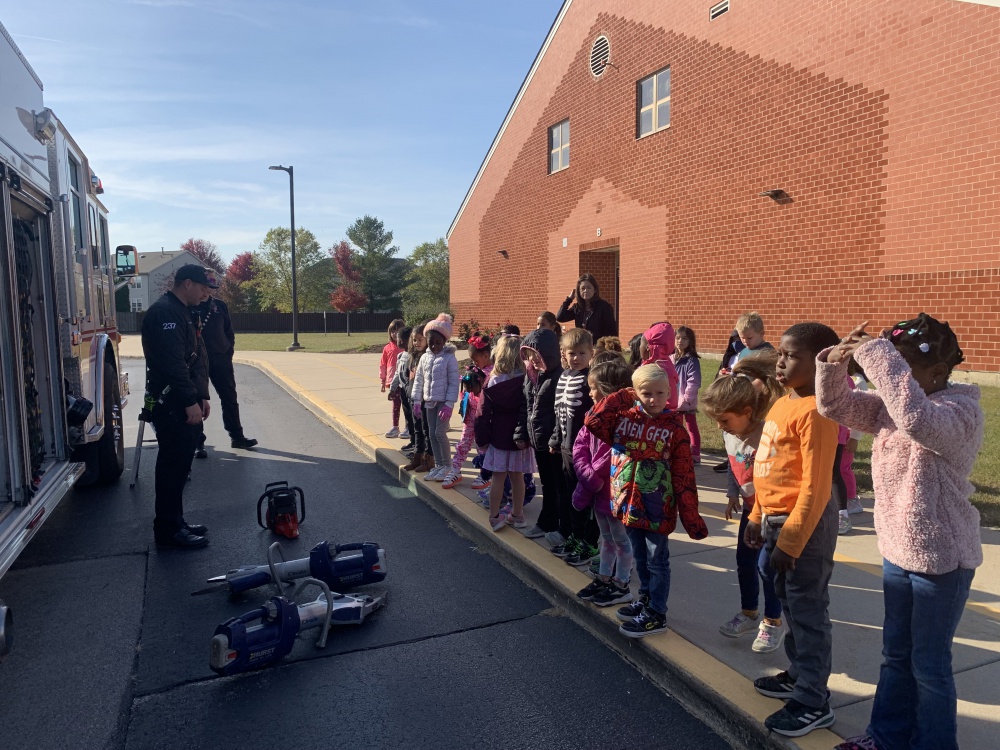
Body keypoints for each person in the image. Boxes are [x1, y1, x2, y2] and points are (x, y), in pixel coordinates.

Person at [818, 314, 982, 750]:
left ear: (937, 373)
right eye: (895, 371)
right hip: (897, 551)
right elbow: (835, 406)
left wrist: (877, 354)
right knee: (895, 655)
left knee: (929, 665)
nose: (896, 381)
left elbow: (916, 419)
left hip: (941, 559)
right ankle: (885, 738)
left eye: (905, 370)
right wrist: (835, 363)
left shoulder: (959, 412)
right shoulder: (893, 406)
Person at [746, 322, 841, 738]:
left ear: (819, 362)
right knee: (788, 604)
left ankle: (813, 699)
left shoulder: (817, 411)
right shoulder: (784, 403)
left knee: (808, 612)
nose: (780, 361)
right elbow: (769, 468)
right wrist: (755, 516)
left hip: (805, 528)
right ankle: (799, 674)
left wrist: (792, 540)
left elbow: (815, 486)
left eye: (791, 355)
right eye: (780, 353)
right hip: (775, 522)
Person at [585, 364, 708, 637]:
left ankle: (657, 613)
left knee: (657, 561)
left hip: (657, 509)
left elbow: (684, 475)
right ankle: (645, 598)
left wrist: (691, 517)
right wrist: (622, 396)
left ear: (669, 393)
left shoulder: (676, 430)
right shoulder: (623, 420)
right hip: (629, 505)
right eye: (646, 393)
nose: (653, 399)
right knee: (640, 557)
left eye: (660, 393)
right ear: (635, 393)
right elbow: (593, 421)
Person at [701, 351, 786, 654]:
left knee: (767, 567)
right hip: (750, 510)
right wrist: (732, 494)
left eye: (724, 420)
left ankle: (772, 622)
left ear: (748, 411)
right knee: (744, 562)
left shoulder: (767, 433)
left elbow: (778, 477)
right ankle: (749, 613)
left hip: (774, 514)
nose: (720, 427)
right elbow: (734, 465)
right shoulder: (731, 433)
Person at [141, 264, 216, 549]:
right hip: (172, 403)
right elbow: (172, 364)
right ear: (187, 283)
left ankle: (176, 521)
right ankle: (169, 530)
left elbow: (197, 357)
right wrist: (188, 400)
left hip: (183, 399)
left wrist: (202, 394)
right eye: (202, 287)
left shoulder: (182, 310)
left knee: (180, 465)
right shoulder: (165, 313)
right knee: (173, 468)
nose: (206, 293)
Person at [572, 358, 635, 607]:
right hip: (597, 491)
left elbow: (611, 453)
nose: (589, 392)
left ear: (608, 389)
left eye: (592, 387)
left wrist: (592, 476)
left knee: (621, 540)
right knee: (606, 538)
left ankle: (622, 584)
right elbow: (580, 445)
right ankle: (605, 578)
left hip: (614, 492)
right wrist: (587, 473)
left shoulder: (624, 419)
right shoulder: (592, 415)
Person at [475, 335, 533, 530]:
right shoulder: (527, 380)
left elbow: (482, 414)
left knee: (498, 477)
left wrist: (482, 439)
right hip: (519, 437)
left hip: (498, 436)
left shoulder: (492, 382)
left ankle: (494, 516)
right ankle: (518, 514)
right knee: (518, 477)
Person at [549, 328, 597, 566]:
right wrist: (555, 439)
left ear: (591, 353)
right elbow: (560, 412)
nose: (576, 357)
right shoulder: (564, 376)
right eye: (571, 353)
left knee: (584, 498)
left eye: (581, 353)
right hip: (565, 448)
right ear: (564, 354)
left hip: (584, 452)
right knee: (569, 495)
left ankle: (588, 539)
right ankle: (573, 534)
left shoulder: (590, 379)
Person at [192, 288, 257, 456]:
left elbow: (229, 331)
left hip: (220, 358)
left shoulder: (219, 306)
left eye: (211, 285)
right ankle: (198, 442)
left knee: (229, 398)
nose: (207, 289)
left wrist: (229, 351)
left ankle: (237, 436)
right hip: (197, 360)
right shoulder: (190, 306)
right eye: (205, 284)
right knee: (197, 398)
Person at [519, 328, 564, 542]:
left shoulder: (557, 378)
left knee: (557, 486)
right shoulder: (532, 377)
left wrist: (555, 439)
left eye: (538, 355)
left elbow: (561, 414)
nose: (534, 360)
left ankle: (552, 523)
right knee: (547, 483)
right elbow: (526, 406)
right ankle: (549, 521)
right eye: (529, 355)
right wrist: (522, 432)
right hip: (538, 439)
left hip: (554, 443)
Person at [411, 314, 460, 481]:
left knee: (440, 433)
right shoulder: (424, 357)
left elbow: (454, 382)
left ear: (445, 341)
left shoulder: (449, 358)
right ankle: (438, 465)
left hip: (443, 403)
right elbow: (419, 380)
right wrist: (417, 401)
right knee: (431, 434)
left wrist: (449, 403)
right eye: (431, 342)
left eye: (438, 343)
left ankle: (447, 466)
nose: (434, 346)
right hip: (429, 401)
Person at [443, 365, 485, 489]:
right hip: (469, 414)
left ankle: (485, 473)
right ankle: (455, 469)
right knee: (463, 442)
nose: (470, 390)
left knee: (482, 445)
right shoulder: (473, 372)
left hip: (483, 417)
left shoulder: (491, 374)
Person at [402, 323, 432, 472]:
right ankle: (417, 457)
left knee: (426, 431)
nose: (417, 343)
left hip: (424, 400)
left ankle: (428, 460)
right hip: (413, 398)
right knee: (417, 430)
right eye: (414, 340)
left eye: (421, 339)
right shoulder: (413, 357)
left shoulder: (427, 358)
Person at [556, 273, 618, 342]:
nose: (586, 291)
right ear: (578, 291)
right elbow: (560, 317)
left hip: (599, 348)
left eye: (589, 287)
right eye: (583, 288)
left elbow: (611, 332)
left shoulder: (604, 307)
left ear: (595, 290)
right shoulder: (577, 308)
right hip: (582, 348)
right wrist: (569, 299)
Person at [672, 326, 702, 464]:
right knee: (676, 428)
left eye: (684, 338)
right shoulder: (671, 358)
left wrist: (686, 399)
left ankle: (695, 454)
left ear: (690, 341)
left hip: (686, 402)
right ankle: (678, 451)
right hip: (673, 401)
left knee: (691, 427)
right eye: (678, 338)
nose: (680, 341)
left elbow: (694, 382)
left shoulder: (692, 360)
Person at [639, 322, 679, 409]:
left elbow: (669, 401)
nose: (639, 348)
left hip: (660, 416)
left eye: (640, 344)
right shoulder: (652, 364)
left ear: (648, 347)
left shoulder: (661, 371)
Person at [389, 327, 414, 453]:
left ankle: (417, 444)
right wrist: (393, 388)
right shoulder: (401, 355)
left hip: (413, 392)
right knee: (408, 416)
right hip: (403, 390)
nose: (397, 340)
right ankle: (413, 442)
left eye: (399, 338)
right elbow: (398, 373)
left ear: (405, 340)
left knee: (415, 419)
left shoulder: (413, 356)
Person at [379, 318, 406, 438]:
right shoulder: (387, 348)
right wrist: (383, 380)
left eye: (398, 331)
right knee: (395, 405)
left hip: (405, 381)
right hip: (392, 381)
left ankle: (408, 427)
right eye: (392, 331)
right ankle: (395, 427)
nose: (395, 334)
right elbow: (383, 364)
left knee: (406, 406)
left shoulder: (406, 347)